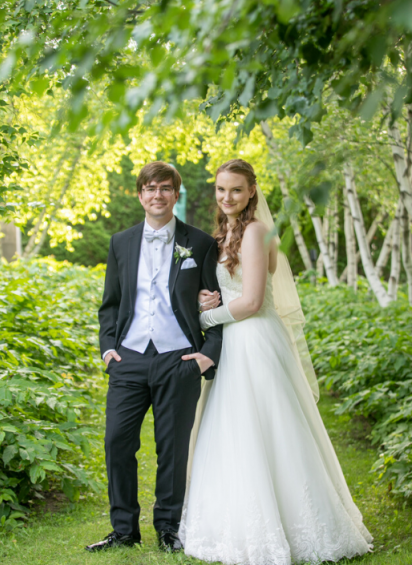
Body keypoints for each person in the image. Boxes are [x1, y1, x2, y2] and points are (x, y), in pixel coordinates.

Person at [179, 159, 372, 564]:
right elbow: (227, 289)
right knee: (232, 428)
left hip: (253, 340)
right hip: (234, 339)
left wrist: (203, 317)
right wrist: (206, 298)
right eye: (220, 190)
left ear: (252, 191)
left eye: (235, 189)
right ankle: (232, 521)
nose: (226, 197)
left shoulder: (255, 231)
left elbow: (250, 301)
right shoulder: (226, 232)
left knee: (267, 427)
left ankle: (293, 525)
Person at [89, 161, 223, 553]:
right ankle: (124, 530)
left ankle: (168, 527)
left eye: (165, 188)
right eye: (150, 188)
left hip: (179, 357)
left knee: (172, 447)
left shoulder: (199, 243)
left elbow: (216, 304)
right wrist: (108, 349)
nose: (157, 195)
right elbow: (110, 304)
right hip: (128, 357)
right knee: (117, 442)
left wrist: (206, 355)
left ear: (175, 195)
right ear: (140, 195)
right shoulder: (121, 242)